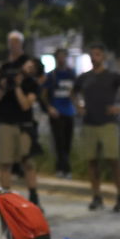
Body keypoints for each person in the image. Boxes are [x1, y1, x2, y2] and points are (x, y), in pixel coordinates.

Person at [73, 44, 120, 212]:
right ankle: (96, 196)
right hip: (89, 123)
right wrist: (78, 107)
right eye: (92, 55)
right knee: (92, 161)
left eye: (97, 54)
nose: (94, 58)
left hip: (108, 123)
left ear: (103, 57)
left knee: (114, 161)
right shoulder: (84, 77)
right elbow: (73, 93)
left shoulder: (112, 76)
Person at [0, 50, 40, 205]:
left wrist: (17, 86)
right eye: (28, 66)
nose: (29, 69)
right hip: (6, 125)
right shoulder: (4, 80)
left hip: (24, 126)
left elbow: (25, 105)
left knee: (28, 162)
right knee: (5, 163)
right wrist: (4, 87)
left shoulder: (31, 83)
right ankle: (6, 199)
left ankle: (34, 196)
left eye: (32, 68)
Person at [43, 47, 77, 178]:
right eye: (59, 57)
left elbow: (75, 92)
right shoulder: (51, 75)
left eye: (64, 56)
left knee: (68, 141)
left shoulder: (71, 73)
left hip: (69, 111)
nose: (62, 59)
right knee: (59, 141)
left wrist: (77, 105)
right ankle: (63, 168)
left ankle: (64, 168)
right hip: (57, 112)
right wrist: (49, 108)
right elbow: (44, 94)